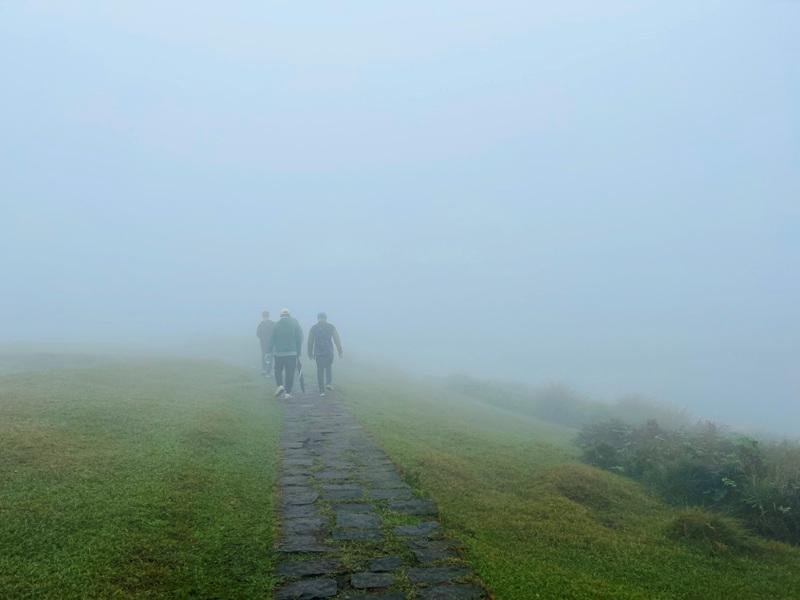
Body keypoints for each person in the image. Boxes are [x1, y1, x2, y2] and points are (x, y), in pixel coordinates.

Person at [268, 308, 303, 399]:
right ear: (289, 315)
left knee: (277, 370)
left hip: (278, 353)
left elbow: (272, 338)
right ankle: (288, 393)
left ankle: (280, 385)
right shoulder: (295, 323)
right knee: (290, 373)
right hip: (292, 353)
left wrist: (269, 351)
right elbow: (299, 338)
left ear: (281, 315)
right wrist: (298, 352)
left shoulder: (276, 325)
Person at [307, 312, 343, 397]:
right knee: (328, 366)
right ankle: (328, 383)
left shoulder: (314, 328)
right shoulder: (331, 327)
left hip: (318, 353)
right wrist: (340, 351)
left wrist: (310, 353)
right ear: (326, 318)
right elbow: (337, 340)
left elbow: (310, 342)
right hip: (329, 351)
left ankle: (321, 391)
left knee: (320, 370)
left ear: (318, 318)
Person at [256, 310, 274, 376]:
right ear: (268, 316)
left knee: (264, 355)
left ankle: (264, 369)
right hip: (270, 343)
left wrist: (262, 337)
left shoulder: (261, 324)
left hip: (263, 343)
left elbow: (258, 334)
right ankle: (268, 371)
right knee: (270, 356)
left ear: (263, 316)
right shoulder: (272, 323)